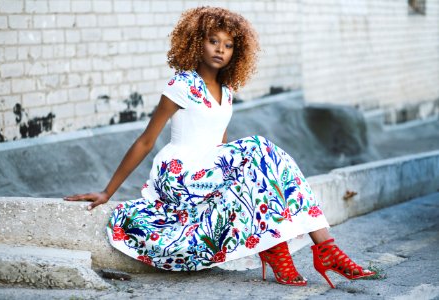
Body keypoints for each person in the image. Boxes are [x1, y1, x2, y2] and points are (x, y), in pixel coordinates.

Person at [64, 6, 374, 288]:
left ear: (235, 54)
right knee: (259, 148)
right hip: (179, 174)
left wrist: (242, 181)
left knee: (259, 168)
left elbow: (222, 146)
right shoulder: (181, 84)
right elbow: (146, 140)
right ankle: (326, 250)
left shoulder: (226, 93)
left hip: (210, 168)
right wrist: (108, 191)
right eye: (214, 41)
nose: (220, 50)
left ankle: (283, 251)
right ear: (197, 41)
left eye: (228, 46)